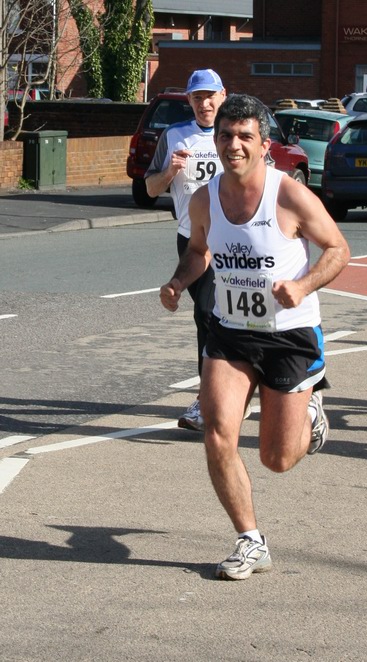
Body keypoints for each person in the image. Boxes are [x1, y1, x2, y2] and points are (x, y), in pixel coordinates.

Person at [159, 94, 350, 579]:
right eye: (226, 135)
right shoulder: (205, 199)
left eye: (245, 136)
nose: (234, 145)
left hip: (289, 335)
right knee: (218, 433)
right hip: (230, 332)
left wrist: (302, 286)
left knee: (277, 458)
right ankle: (250, 540)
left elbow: (337, 248)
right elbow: (199, 250)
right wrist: (178, 282)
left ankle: (311, 412)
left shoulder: (289, 195)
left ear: (265, 145)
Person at [145, 69, 227, 432]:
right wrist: (169, 172)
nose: (204, 104)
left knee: (222, 315)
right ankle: (212, 398)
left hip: (235, 238)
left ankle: (222, 394)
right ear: (189, 101)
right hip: (193, 239)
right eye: (197, 98)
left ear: (223, 96)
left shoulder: (236, 133)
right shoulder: (174, 134)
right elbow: (150, 189)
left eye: (210, 96)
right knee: (208, 314)